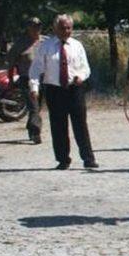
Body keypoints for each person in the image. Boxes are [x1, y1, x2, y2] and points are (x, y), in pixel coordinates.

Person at [29, 14, 98, 170]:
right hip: (54, 90)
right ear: (55, 28)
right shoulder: (45, 46)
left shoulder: (77, 45)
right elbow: (36, 69)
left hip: (75, 89)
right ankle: (63, 159)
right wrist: (34, 88)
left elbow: (85, 68)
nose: (66, 31)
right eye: (62, 27)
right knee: (58, 126)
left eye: (69, 28)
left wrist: (81, 76)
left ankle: (88, 158)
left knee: (80, 125)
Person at [7, 17, 44, 144]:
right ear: (28, 28)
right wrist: (10, 80)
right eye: (33, 26)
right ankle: (35, 132)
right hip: (26, 79)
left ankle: (31, 127)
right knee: (33, 106)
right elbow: (11, 64)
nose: (36, 29)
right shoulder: (20, 44)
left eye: (38, 26)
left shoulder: (45, 42)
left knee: (37, 107)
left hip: (42, 79)